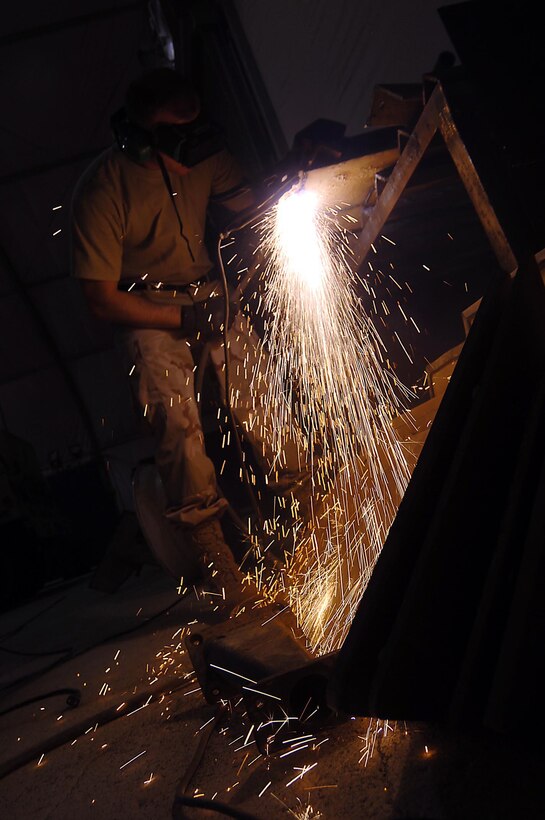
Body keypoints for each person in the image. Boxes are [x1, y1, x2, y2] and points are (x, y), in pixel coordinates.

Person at [70, 67, 308, 611]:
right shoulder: (103, 190)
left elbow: (251, 207)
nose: (193, 144)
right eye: (178, 131)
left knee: (261, 403)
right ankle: (222, 572)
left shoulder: (206, 153)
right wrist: (178, 323)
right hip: (145, 312)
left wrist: (291, 175)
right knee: (178, 430)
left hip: (206, 291)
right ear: (141, 133)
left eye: (195, 125)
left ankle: (312, 522)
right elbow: (100, 298)